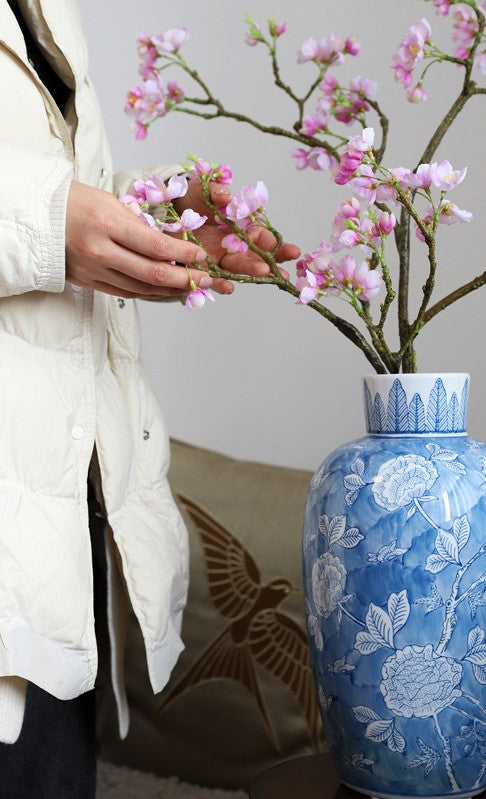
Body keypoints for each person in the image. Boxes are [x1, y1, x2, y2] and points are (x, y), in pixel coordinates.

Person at [0, 1, 299, 795]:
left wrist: (151, 217)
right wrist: (45, 219)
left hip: (55, 533)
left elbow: (54, 174)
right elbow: (35, 204)